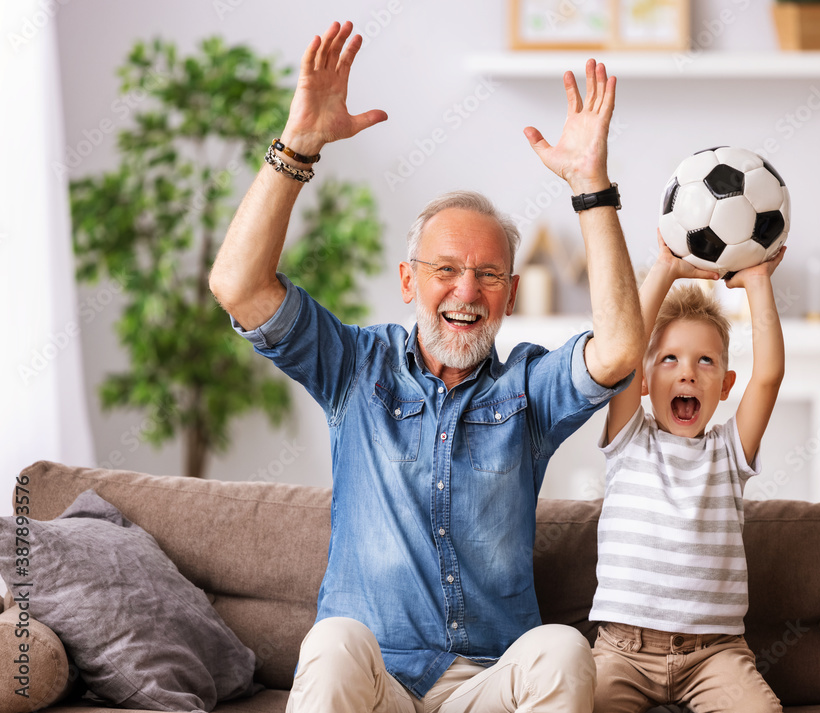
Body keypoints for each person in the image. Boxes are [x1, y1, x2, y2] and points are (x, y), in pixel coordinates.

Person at [208, 20, 644, 713]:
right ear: (409, 282)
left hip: (487, 687)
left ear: (510, 291)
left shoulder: (527, 389)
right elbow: (238, 284)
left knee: (563, 648)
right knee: (330, 641)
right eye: (447, 270)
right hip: (378, 682)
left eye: (488, 274)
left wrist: (591, 186)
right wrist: (297, 147)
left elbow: (620, 349)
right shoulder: (354, 365)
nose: (467, 291)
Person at [589, 238, 787, 713]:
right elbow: (620, 349)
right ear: (641, 378)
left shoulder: (728, 451)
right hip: (622, 653)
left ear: (724, 385)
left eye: (706, 361)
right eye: (669, 359)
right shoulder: (629, 437)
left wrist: (758, 284)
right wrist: (665, 270)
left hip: (713, 654)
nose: (688, 374)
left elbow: (770, 376)